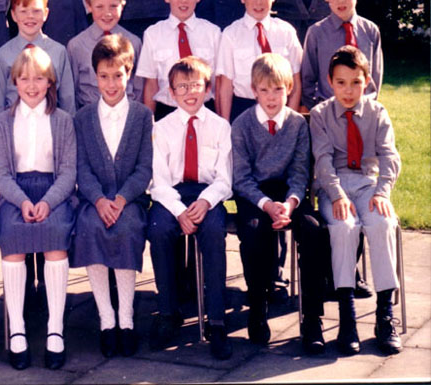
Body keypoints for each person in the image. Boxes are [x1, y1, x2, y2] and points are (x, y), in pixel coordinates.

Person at [231, 53, 329, 353]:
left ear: (289, 88)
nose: (271, 97)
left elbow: (301, 172)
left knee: (313, 231)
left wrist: (289, 204)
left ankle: (312, 319)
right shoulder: (243, 124)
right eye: (264, 90)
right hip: (255, 194)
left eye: (278, 89)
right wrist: (266, 204)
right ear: (253, 90)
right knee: (253, 231)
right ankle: (258, 310)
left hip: (289, 193)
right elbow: (241, 177)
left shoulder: (299, 124)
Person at [310, 46, 402, 356]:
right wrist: (336, 194)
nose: (348, 91)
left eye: (355, 82)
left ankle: (384, 315)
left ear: (367, 81)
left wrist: (382, 191)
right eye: (341, 82)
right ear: (329, 82)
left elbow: (389, 155)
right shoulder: (321, 114)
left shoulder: (377, 113)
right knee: (344, 227)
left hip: (367, 185)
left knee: (381, 223)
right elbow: (321, 160)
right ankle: (347, 319)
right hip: (333, 186)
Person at [0, 46, 76, 370]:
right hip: (17, 194)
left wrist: (47, 202)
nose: (31, 85)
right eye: (24, 79)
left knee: (55, 237)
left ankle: (56, 328)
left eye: (39, 78)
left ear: (50, 81)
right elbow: (1, 174)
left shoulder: (62, 120)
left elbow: (68, 171)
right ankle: (18, 330)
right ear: (14, 81)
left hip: (53, 192)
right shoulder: (3, 121)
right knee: (12, 237)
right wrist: (24, 201)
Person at [71, 35, 153, 359]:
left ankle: (126, 318)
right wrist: (99, 199)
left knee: (126, 229)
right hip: (95, 200)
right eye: (103, 76)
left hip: (129, 201)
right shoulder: (83, 118)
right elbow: (82, 169)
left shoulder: (142, 116)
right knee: (92, 228)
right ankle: (106, 319)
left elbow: (144, 167)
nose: (111, 83)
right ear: (95, 76)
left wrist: (120, 199)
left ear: (129, 72)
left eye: (117, 75)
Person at [148, 56, 233, 360]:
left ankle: (217, 320)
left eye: (196, 84)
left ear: (207, 88)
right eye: (181, 87)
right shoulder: (161, 128)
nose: (189, 92)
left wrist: (206, 201)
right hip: (170, 195)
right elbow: (157, 182)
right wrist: (179, 211)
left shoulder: (221, 127)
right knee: (158, 231)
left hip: (207, 193)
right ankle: (169, 314)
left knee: (213, 232)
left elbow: (225, 180)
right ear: (171, 93)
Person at [216, 0, 302, 122]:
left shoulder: (286, 32)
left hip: (279, 108)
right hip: (243, 109)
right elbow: (225, 86)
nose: (258, 1)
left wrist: (289, 121)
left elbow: (296, 83)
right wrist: (226, 125)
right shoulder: (231, 34)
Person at [137, 0, 220, 120]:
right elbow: (151, 85)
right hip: (166, 110)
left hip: (204, 110)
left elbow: (218, 83)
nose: (183, 0)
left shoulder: (213, 33)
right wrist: (150, 126)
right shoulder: (153, 34)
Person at [301, 0, 382, 109]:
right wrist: (319, 111)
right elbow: (307, 81)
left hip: (363, 112)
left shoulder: (371, 31)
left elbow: (374, 82)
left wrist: (368, 107)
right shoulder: (316, 33)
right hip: (328, 113)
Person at [0, 0, 75, 120]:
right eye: (23, 11)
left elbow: (68, 101)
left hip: (50, 126)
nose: (30, 16)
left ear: (46, 13)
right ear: (13, 15)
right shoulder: (3, 55)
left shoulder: (59, 52)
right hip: (14, 125)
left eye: (36, 11)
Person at [67, 0, 142, 108]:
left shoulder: (134, 43)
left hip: (126, 114)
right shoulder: (76, 46)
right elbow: (73, 91)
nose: (107, 13)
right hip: (90, 115)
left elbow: (138, 89)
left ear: (122, 4)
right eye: (99, 7)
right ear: (89, 5)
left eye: (113, 6)